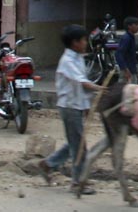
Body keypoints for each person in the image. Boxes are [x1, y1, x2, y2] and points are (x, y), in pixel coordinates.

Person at [39, 24, 102, 194]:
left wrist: (87, 106)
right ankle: (77, 182)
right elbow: (82, 82)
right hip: (69, 107)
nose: (86, 43)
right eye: (84, 40)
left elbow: (82, 87)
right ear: (75, 43)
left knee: (75, 143)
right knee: (79, 146)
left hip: (77, 105)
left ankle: (48, 164)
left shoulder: (79, 58)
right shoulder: (67, 61)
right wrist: (102, 89)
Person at [116, 16, 138, 83]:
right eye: (136, 25)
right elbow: (118, 54)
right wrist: (125, 69)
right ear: (129, 26)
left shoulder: (131, 37)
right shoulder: (126, 38)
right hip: (128, 71)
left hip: (131, 69)